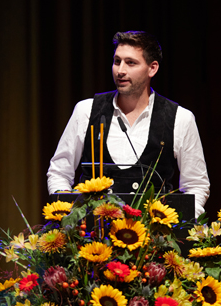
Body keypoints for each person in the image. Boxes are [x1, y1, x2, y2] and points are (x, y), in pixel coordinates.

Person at [47, 31, 210, 217]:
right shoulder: (86, 111)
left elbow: (196, 185)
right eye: (117, 61)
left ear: (152, 68)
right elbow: (59, 172)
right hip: (93, 232)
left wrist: (178, 223)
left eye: (130, 63)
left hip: (152, 232)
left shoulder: (180, 118)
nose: (120, 70)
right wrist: (68, 216)